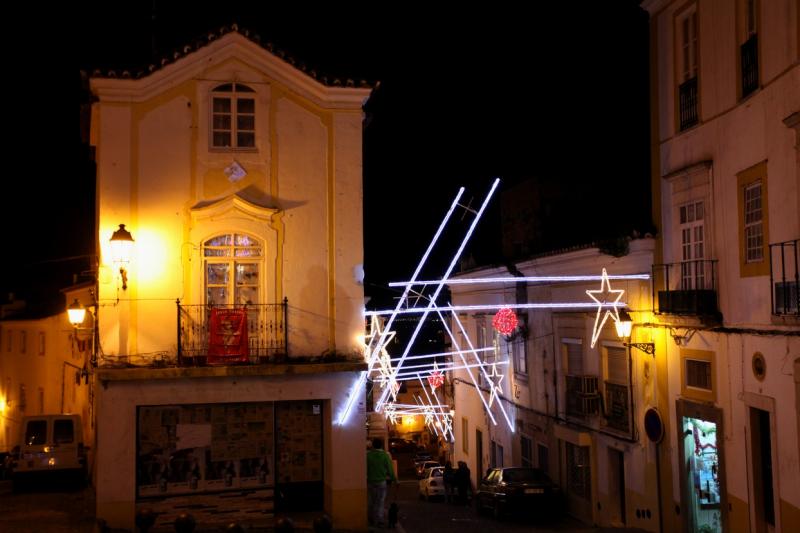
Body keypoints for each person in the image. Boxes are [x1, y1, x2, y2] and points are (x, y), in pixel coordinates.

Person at [367, 438, 397, 527]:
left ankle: (371, 518)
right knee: (380, 501)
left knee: (372, 500)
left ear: (373, 445)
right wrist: (394, 479)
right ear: (381, 445)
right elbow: (390, 469)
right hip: (381, 482)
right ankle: (379, 520)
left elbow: (365, 468)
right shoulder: (385, 456)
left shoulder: (368, 456)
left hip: (371, 481)